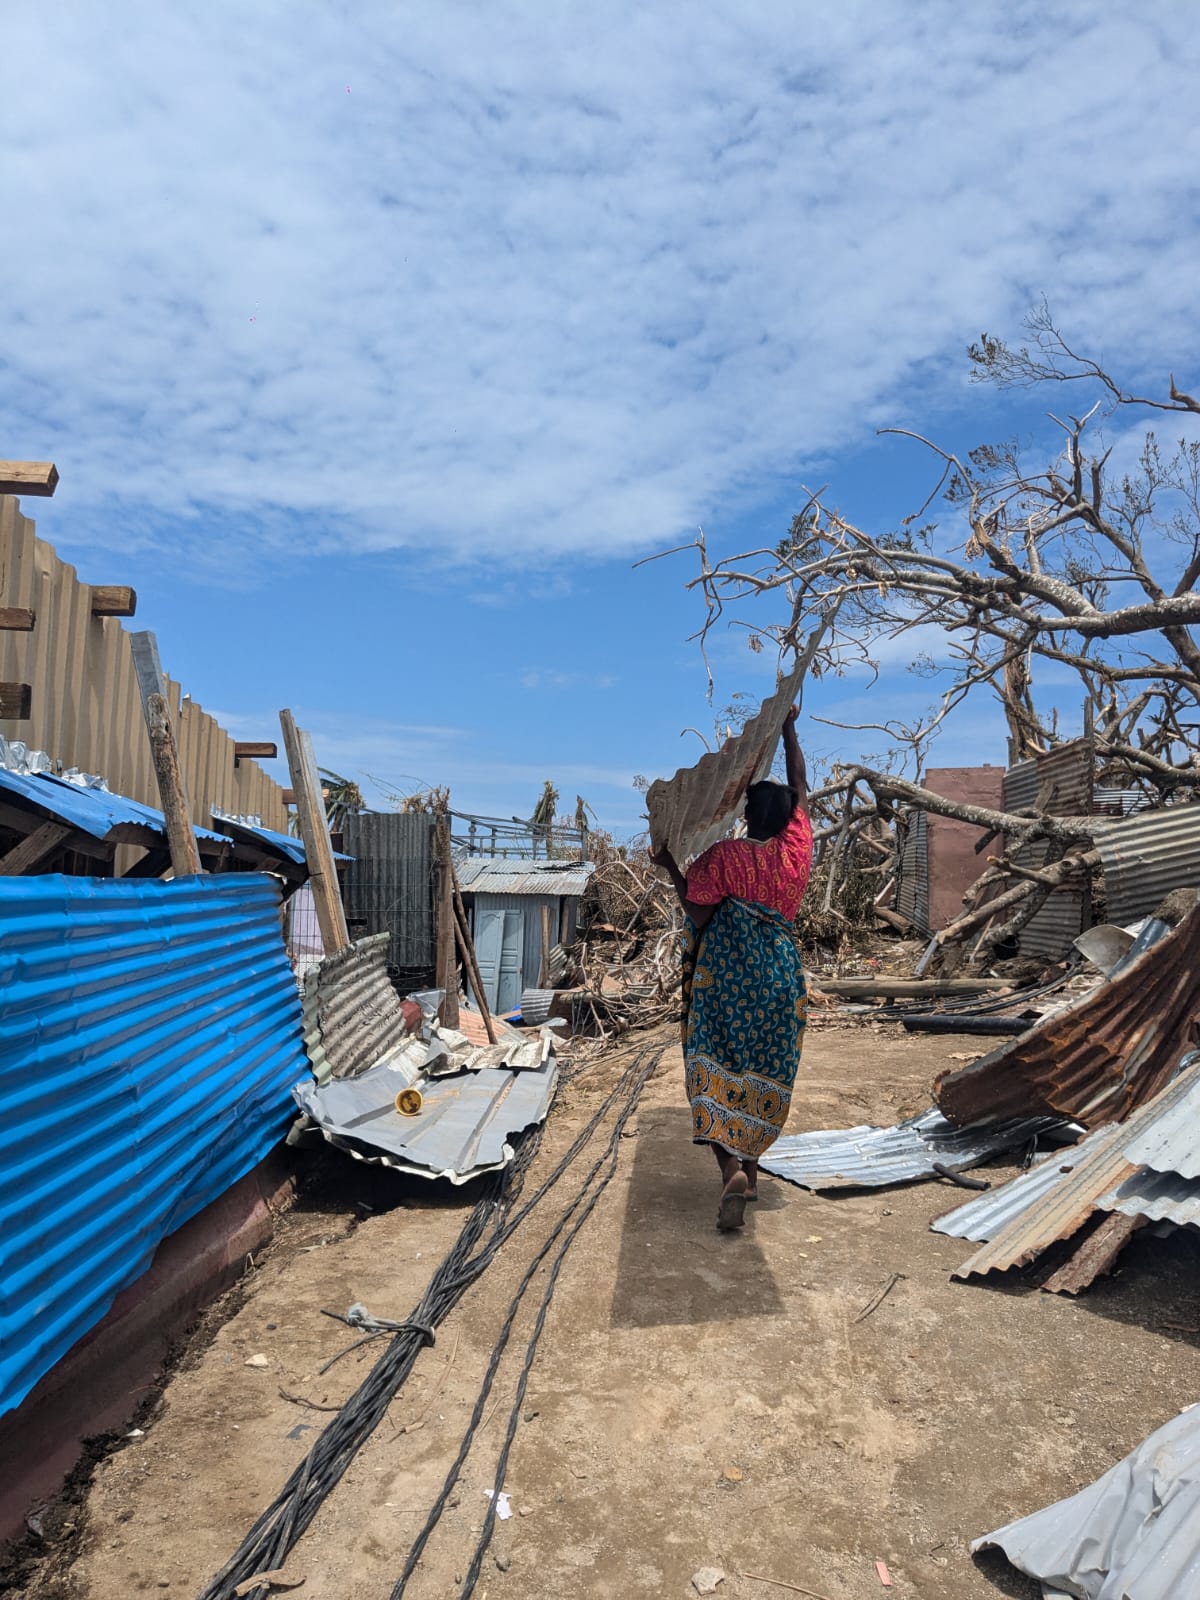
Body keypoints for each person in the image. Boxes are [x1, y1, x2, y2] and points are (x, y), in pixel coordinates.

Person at [650, 706, 813, 1232]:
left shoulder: (725, 857)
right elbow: (802, 785)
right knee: (765, 1072)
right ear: (788, 819)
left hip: (728, 982)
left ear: (746, 817)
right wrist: (788, 729)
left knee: (712, 1069)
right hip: (782, 981)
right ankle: (754, 1167)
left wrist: (672, 866)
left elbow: (697, 911)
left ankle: (730, 1172)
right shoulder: (796, 852)